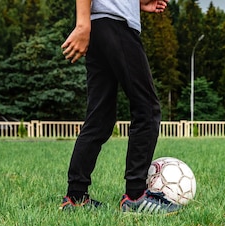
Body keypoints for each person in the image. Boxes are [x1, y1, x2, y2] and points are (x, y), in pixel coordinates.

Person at [60, 0, 180, 213]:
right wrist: (81, 24)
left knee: (100, 119)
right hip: (115, 25)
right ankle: (136, 195)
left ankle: (76, 197)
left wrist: (138, 3)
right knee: (147, 109)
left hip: (101, 26)